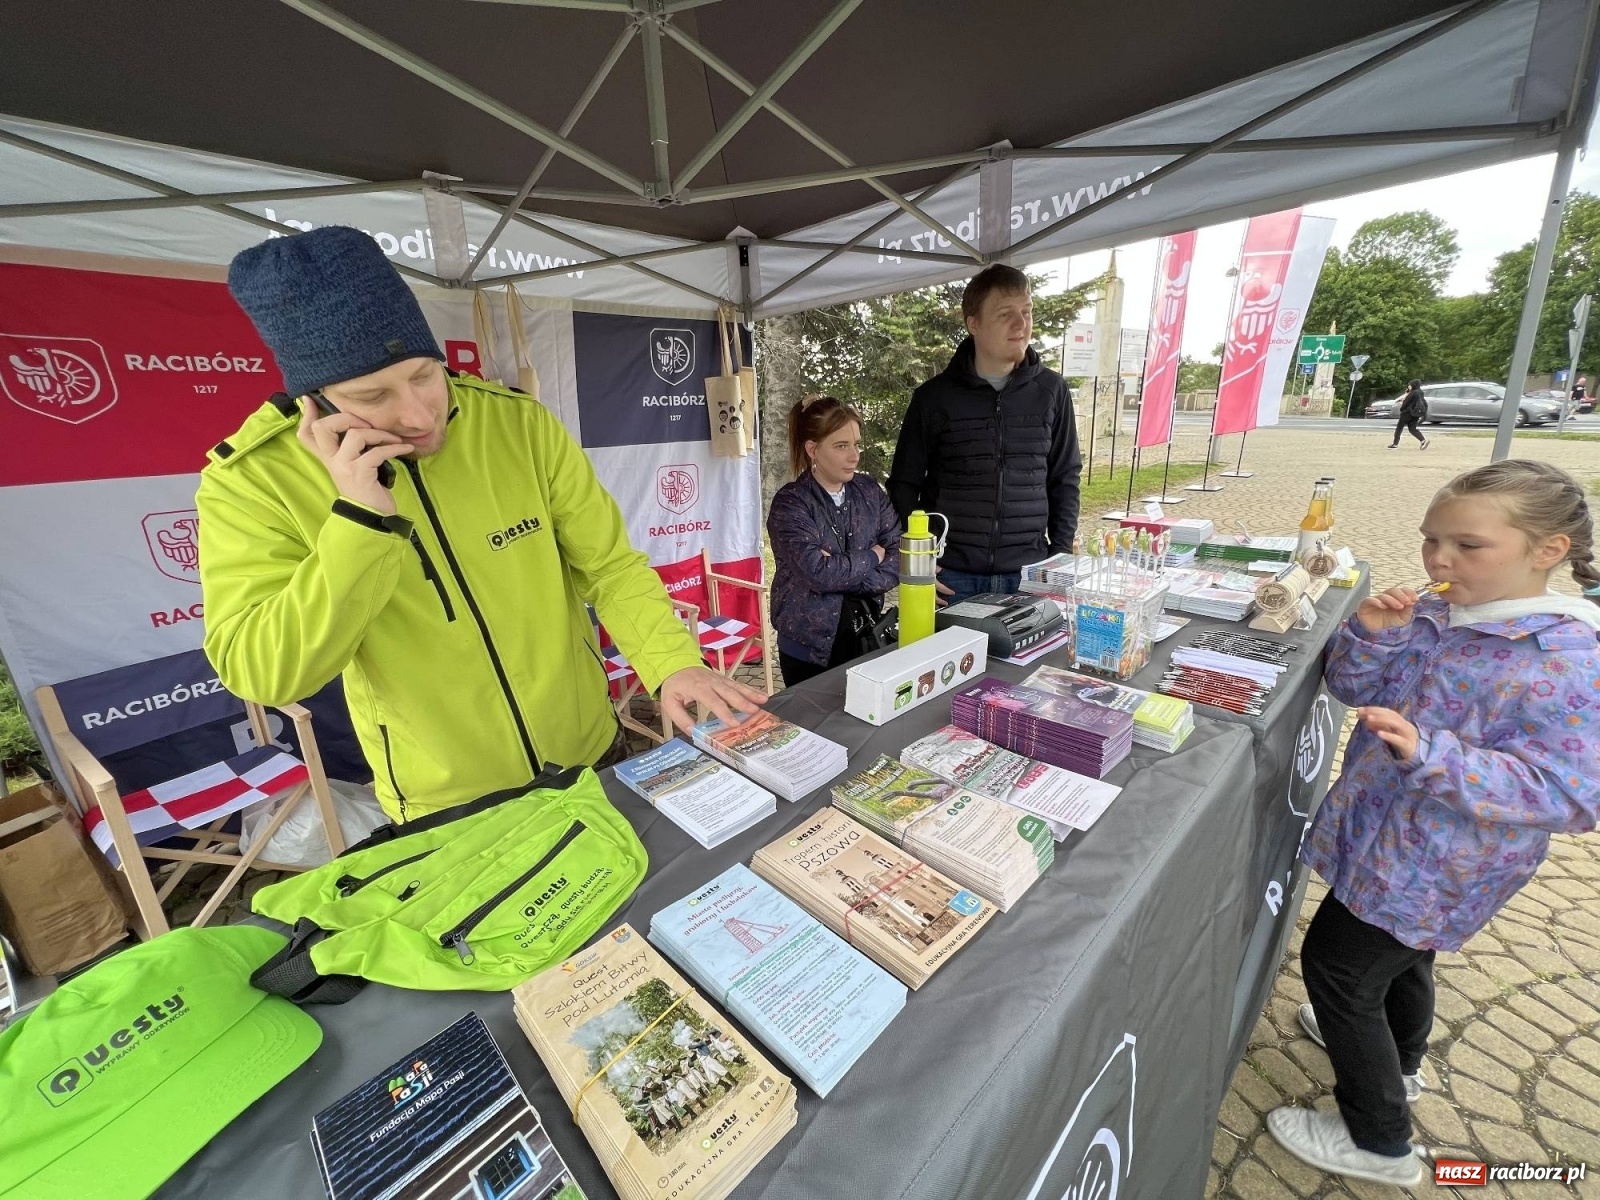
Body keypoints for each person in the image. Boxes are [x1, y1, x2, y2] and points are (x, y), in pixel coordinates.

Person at [199, 226, 763, 822]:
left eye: (424, 375)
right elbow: (265, 673)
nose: (418, 415)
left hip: (587, 751)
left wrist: (672, 662)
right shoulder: (253, 479)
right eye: (372, 396)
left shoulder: (516, 425)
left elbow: (610, 568)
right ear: (314, 401)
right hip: (447, 801)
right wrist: (360, 521)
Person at [1267, 460, 1600, 1188]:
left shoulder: (1568, 661)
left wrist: (1432, 754)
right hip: (1380, 836)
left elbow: (1571, 795)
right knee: (1408, 957)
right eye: (1430, 540)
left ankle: (1378, 1139)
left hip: (1442, 863)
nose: (1439, 560)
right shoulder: (1435, 614)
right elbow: (1351, 688)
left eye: (1467, 545)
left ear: (1547, 550)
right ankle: (1402, 1062)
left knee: (1338, 970)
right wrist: (1374, 635)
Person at [888, 264, 1081, 606]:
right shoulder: (933, 398)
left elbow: (1064, 477)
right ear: (973, 323)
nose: (1021, 324)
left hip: (1029, 575)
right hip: (951, 577)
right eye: (1006, 314)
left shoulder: (1052, 391)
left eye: (1026, 311)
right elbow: (903, 485)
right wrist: (919, 562)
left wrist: (1060, 555)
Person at [767, 395, 901, 686]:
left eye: (856, 444)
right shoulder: (790, 504)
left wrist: (841, 573)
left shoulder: (869, 492)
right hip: (807, 648)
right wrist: (872, 557)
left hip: (865, 635)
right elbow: (819, 574)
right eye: (841, 446)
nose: (854, 456)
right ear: (812, 449)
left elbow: (898, 554)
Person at [1389, 380, 1428, 449]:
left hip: (1407, 412)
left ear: (1413, 385)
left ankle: (1395, 443)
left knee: (1399, 428)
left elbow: (1406, 403)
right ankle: (1422, 440)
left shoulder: (1413, 393)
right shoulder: (1420, 392)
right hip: (1416, 413)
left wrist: (1402, 409)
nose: (1409, 386)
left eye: (1410, 385)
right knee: (1412, 428)